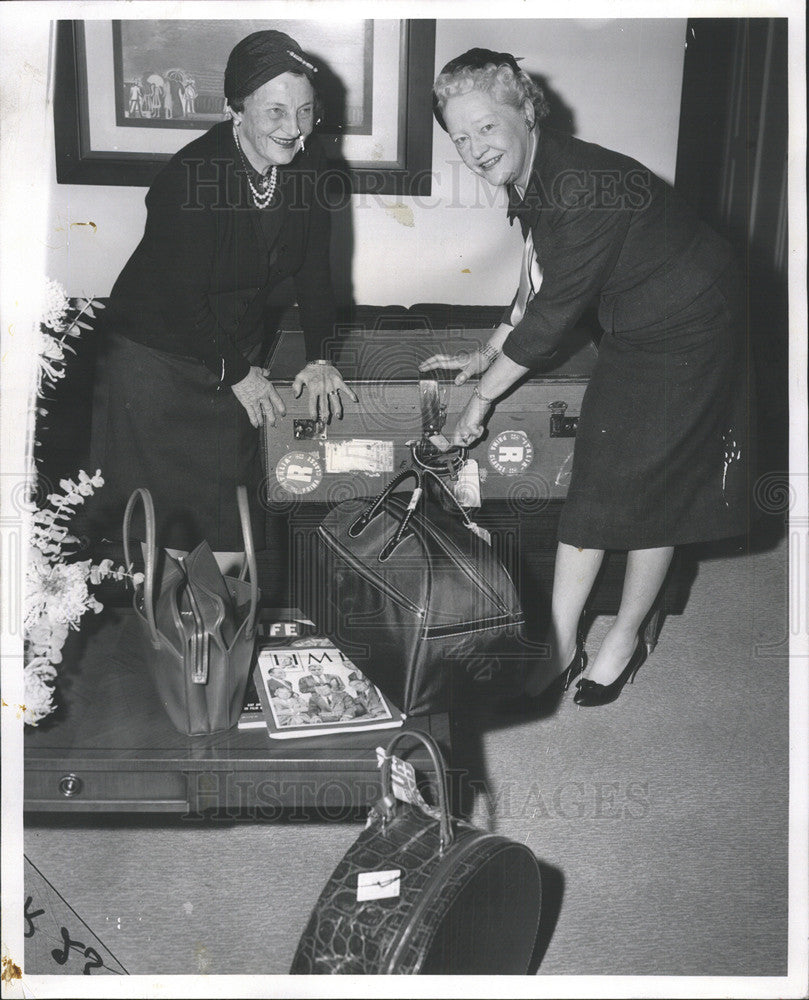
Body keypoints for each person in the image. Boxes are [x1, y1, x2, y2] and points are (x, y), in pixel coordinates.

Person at [422, 49, 752, 708]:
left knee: (654, 488)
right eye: (459, 136)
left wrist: (478, 406)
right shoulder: (533, 171)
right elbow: (536, 272)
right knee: (599, 480)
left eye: (485, 126)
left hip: (693, 324)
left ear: (524, 111)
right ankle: (560, 642)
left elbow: (549, 318)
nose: (473, 147)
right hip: (634, 323)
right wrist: (491, 348)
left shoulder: (577, 182)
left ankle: (623, 639)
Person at [88, 30, 356, 559]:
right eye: (275, 112)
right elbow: (180, 295)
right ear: (235, 110)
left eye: (306, 112)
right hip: (152, 363)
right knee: (159, 541)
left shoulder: (311, 167)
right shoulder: (190, 178)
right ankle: (168, 641)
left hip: (233, 358)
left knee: (233, 538)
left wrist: (321, 355)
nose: (294, 130)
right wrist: (237, 371)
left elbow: (317, 277)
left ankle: (221, 637)